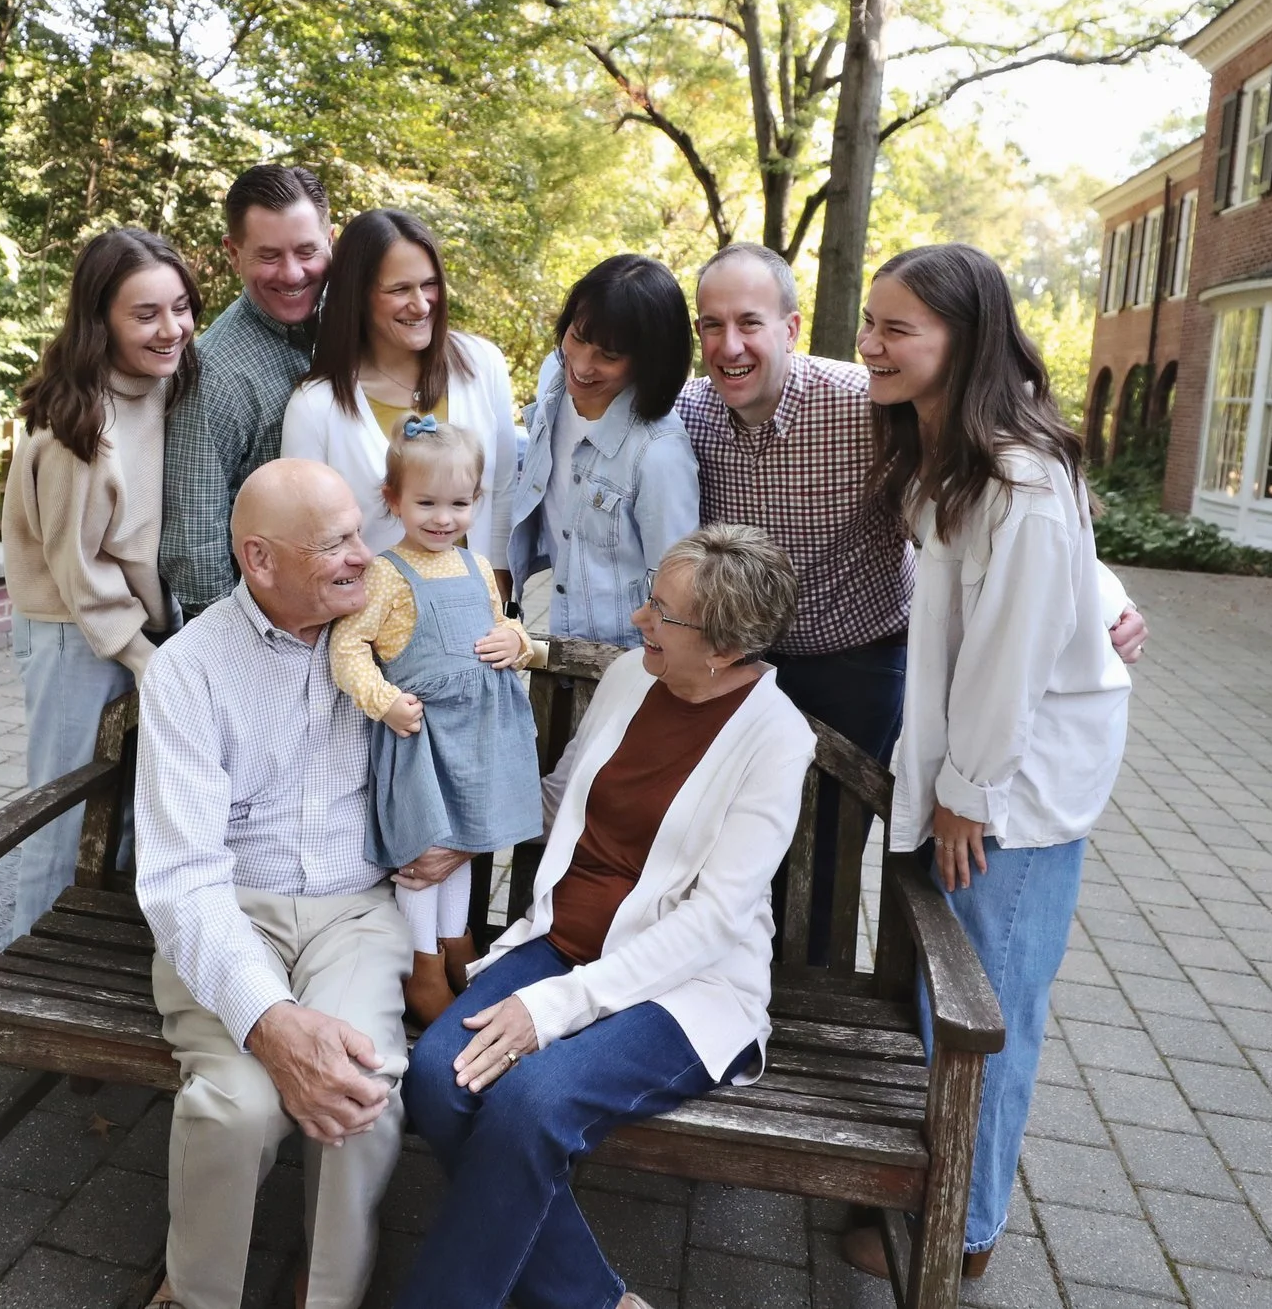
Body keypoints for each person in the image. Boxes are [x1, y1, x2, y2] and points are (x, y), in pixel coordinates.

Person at [681, 243, 1145, 967]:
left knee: (827, 869)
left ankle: (809, 1003)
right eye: (710, 324)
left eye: (749, 322)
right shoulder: (700, 413)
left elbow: (1032, 581)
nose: (871, 346)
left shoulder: (864, 405)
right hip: (744, 670)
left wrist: (1106, 604)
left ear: (792, 326)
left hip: (862, 668)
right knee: (731, 849)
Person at [396, 525, 811, 1309]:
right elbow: (558, 794)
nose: (638, 618)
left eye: (662, 611)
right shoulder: (631, 675)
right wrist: (461, 838)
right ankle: (596, 1298)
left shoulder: (776, 738)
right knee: (437, 1077)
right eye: (650, 595)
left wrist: (549, 1008)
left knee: (529, 1103)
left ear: (723, 647)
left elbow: (714, 919)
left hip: (686, 986)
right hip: (561, 940)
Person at [132, 459, 464, 1309]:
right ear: (260, 559)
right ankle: (198, 1294)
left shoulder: (395, 630)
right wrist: (269, 1021)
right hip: (229, 914)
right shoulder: (189, 669)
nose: (365, 552)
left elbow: (480, 729)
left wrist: (458, 832)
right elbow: (180, 881)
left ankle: (329, 1295)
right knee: (236, 1106)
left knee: (363, 1088)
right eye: (337, 543)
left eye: (360, 529)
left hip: (356, 913)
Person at [861, 244, 1131, 1283]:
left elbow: (1010, 647)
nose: (873, 345)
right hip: (973, 775)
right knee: (952, 997)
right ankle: (947, 1206)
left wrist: (969, 794)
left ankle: (964, 1233)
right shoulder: (951, 446)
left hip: (1013, 792)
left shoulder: (1015, 473)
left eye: (898, 329)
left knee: (987, 1011)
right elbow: (1066, 576)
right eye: (872, 323)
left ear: (960, 340)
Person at [0, 227, 194, 942]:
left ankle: (93, 955)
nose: (171, 328)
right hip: (74, 634)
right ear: (100, 319)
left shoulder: (168, 387)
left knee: (127, 814)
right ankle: (28, 973)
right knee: (63, 814)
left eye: (180, 306)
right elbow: (80, 574)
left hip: (139, 628)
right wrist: (147, 657)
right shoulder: (76, 431)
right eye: (146, 313)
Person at [330, 419, 545, 1023]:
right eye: (426, 502)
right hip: (422, 735)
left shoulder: (478, 567)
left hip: (477, 737)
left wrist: (516, 641)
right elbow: (348, 648)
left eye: (459, 503)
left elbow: (503, 624)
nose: (443, 518)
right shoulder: (387, 574)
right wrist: (383, 702)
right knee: (425, 850)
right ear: (394, 501)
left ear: (476, 501)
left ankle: (459, 946)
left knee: (465, 843)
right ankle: (421, 964)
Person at [281, 207, 520, 575]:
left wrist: (502, 600)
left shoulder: (483, 363)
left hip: (478, 616)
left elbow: (502, 492)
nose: (422, 304)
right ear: (358, 297)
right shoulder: (315, 407)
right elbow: (306, 537)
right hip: (373, 621)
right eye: (399, 289)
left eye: (429, 284)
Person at [160, 164, 335, 621]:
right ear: (233, 255)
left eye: (306, 250)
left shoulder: (356, 328)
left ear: (331, 239)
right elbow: (194, 548)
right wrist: (244, 649)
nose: (293, 273)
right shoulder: (215, 375)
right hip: (269, 631)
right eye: (269, 255)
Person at [506, 253, 700, 646]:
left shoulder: (659, 454)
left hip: (622, 659)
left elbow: (676, 588)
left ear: (649, 362)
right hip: (557, 639)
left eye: (608, 356)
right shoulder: (552, 380)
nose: (581, 364)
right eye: (577, 337)